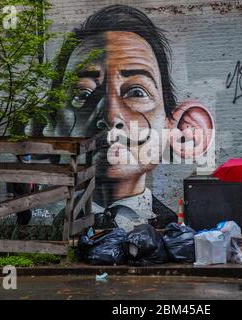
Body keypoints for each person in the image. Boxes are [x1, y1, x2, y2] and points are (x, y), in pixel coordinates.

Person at [34, 5, 214, 231]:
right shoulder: (60, 226)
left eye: (137, 92)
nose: (110, 116)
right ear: (49, 126)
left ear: (179, 129)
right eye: (83, 94)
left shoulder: (169, 225)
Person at [6, 154, 33, 225]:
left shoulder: (29, 165)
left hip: (28, 196)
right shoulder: (15, 166)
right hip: (19, 196)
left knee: (23, 216)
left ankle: (18, 231)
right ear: (20, 156)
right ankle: (17, 231)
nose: (29, 156)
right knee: (26, 215)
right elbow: (9, 184)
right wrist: (13, 196)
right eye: (27, 154)